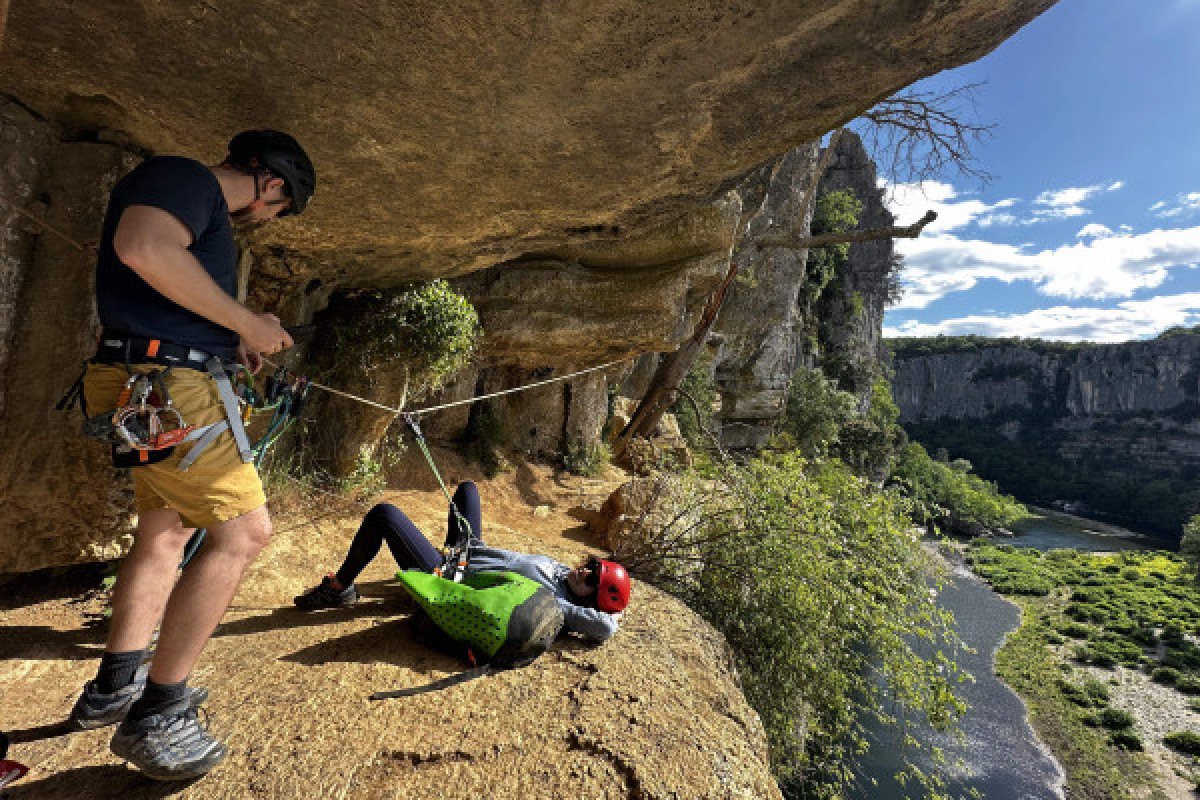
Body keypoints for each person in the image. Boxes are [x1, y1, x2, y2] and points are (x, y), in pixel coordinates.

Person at [66, 130, 316, 781]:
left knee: (165, 531)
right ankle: (159, 714)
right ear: (272, 184)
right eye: (278, 207)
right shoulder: (185, 179)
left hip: (146, 383)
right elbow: (143, 248)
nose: (266, 217)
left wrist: (228, 341)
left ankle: (114, 686)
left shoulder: (190, 199)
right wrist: (243, 323)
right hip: (169, 390)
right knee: (243, 534)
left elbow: (160, 288)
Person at [294, 481, 631, 642]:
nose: (585, 570)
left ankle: (340, 587)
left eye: (591, 579)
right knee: (467, 490)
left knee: (385, 515)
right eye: (592, 565)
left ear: (589, 598)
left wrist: (611, 616)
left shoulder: (555, 605)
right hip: (468, 550)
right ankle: (437, 552)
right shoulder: (563, 573)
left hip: (450, 578)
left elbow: (603, 628)